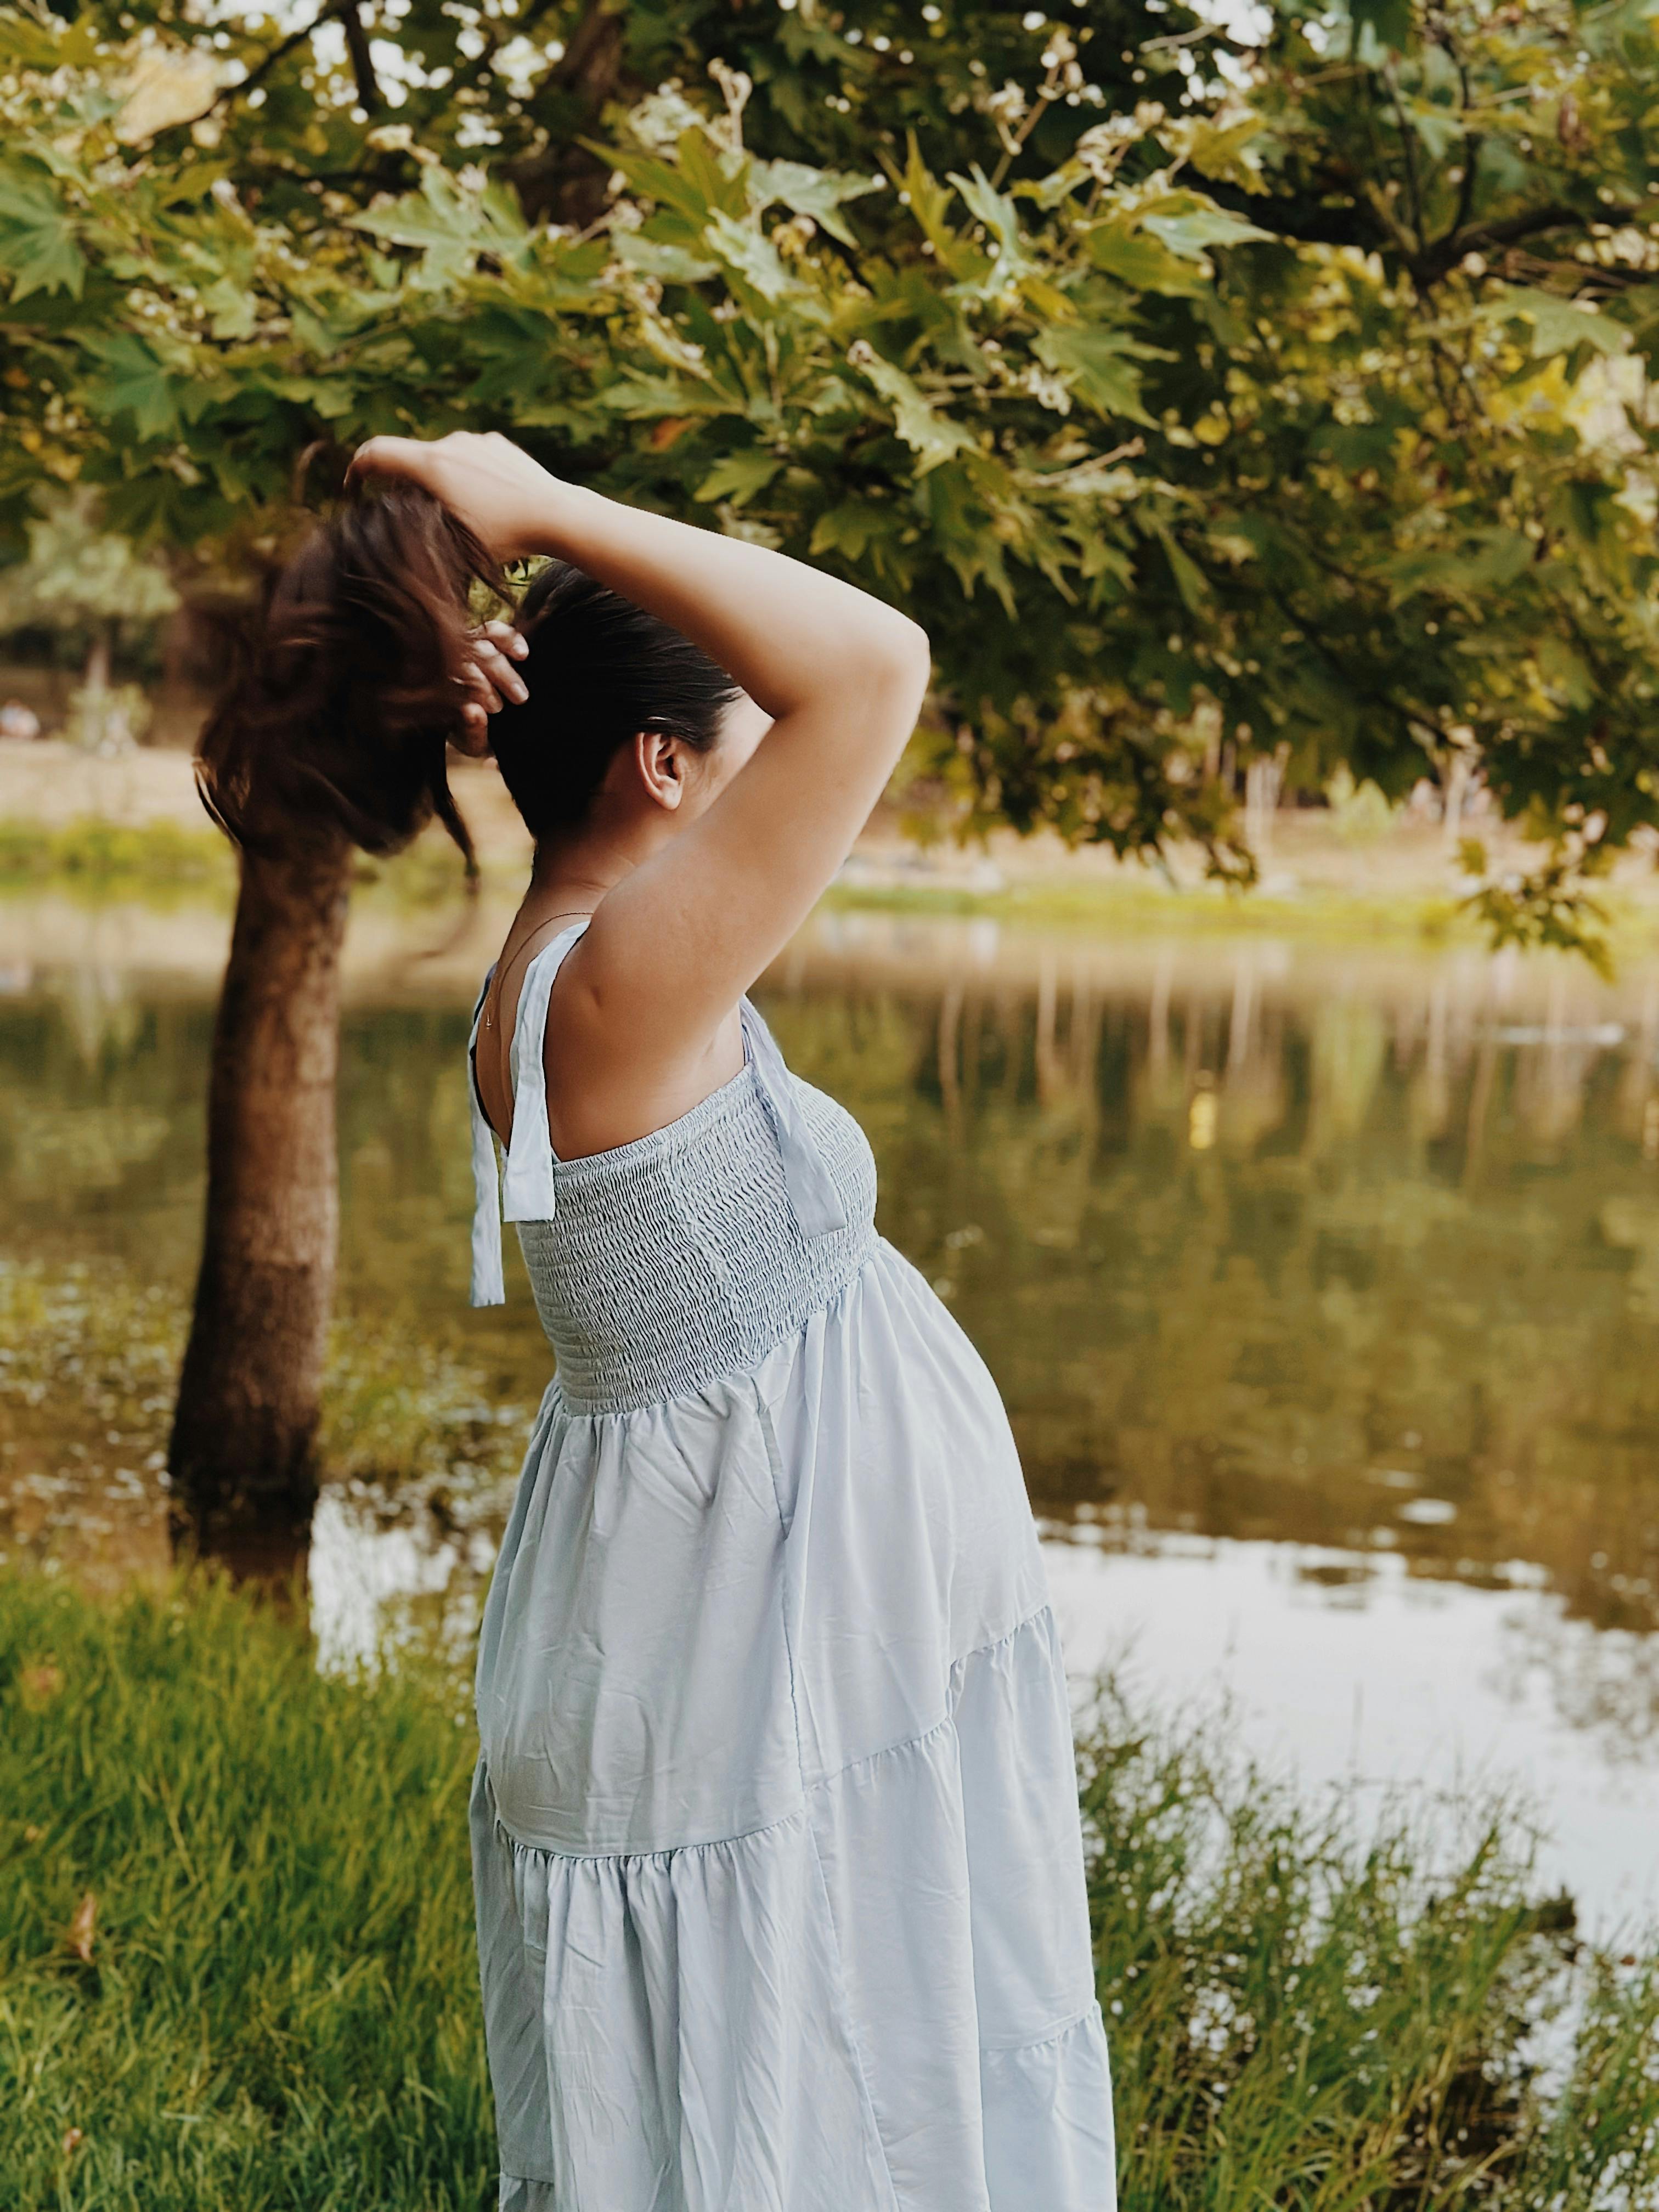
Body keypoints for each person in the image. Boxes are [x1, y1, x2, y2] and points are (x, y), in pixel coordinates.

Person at [221, 432, 1116, 2211]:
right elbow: (876, 664)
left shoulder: (587, 956)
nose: (779, 762)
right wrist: (544, 508)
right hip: (740, 1625)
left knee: (779, 2059)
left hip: (711, 1603)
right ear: (657, 764)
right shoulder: (622, 986)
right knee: (802, 2068)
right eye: (740, 742)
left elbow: (826, 686)